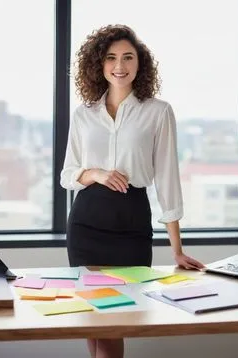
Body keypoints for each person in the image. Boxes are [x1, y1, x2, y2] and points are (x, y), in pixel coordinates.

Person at [60, 24, 205, 358]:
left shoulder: (158, 112)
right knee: (93, 323)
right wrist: (95, 172)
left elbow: (168, 178)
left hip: (130, 227)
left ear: (141, 64)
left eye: (128, 57)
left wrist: (177, 250)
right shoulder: (84, 115)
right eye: (111, 58)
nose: (119, 65)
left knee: (114, 322)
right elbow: (68, 175)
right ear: (99, 64)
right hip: (86, 226)